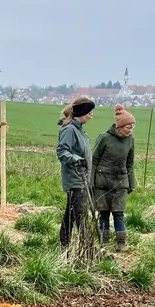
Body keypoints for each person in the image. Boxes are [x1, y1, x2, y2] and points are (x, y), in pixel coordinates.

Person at [89, 106, 137, 251]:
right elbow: (94, 160)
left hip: (120, 182)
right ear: (120, 126)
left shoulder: (130, 140)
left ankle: (121, 243)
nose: (130, 130)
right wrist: (91, 181)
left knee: (119, 213)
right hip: (102, 182)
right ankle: (104, 242)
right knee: (103, 212)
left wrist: (131, 183)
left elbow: (130, 163)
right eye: (128, 127)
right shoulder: (104, 138)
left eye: (132, 127)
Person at [56, 97, 97, 251]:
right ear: (82, 112)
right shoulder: (69, 129)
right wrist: (77, 159)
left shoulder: (79, 129)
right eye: (89, 112)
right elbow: (62, 151)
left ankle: (64, 247)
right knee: (81, 216)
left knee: (71, 215)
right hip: (75, 178)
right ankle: (88, 251)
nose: (91, 114)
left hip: (81, 178)